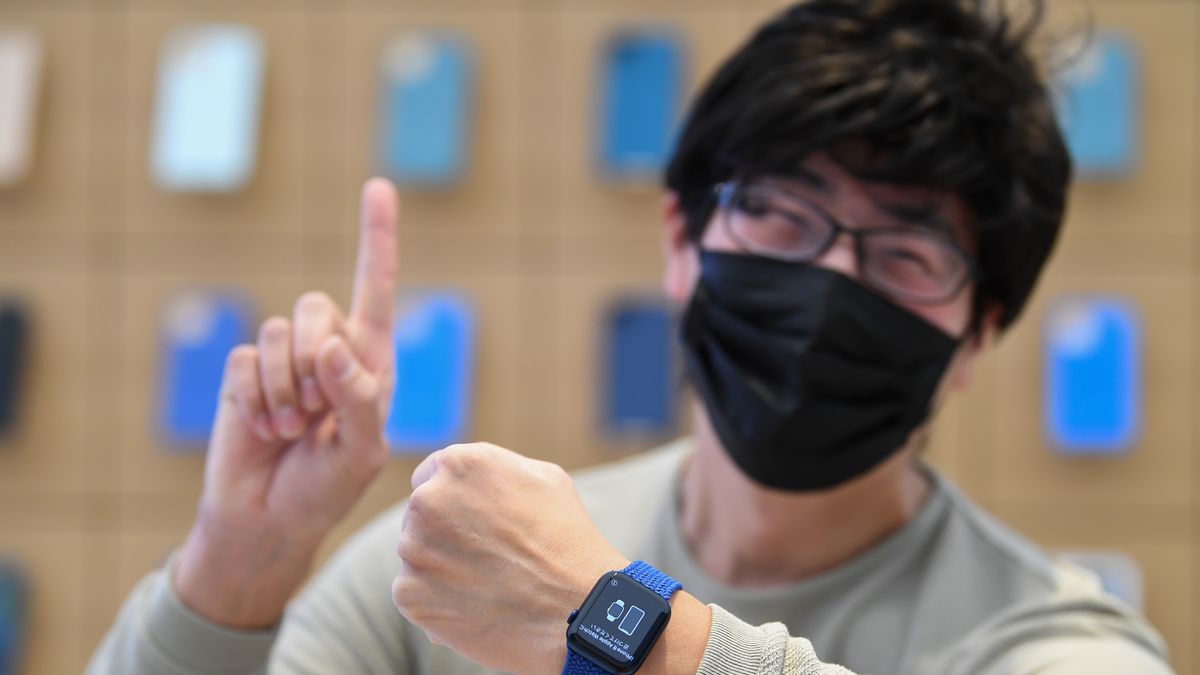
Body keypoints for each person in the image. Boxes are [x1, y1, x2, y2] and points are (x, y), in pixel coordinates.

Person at [86, 1, 1174, 673]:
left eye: (907, 251)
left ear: (980, 334)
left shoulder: (1048, 638)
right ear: (681, 241)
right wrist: (240, 558)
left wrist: (606, 623)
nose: (829, 279)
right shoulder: (453, 572)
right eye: (781, 215)